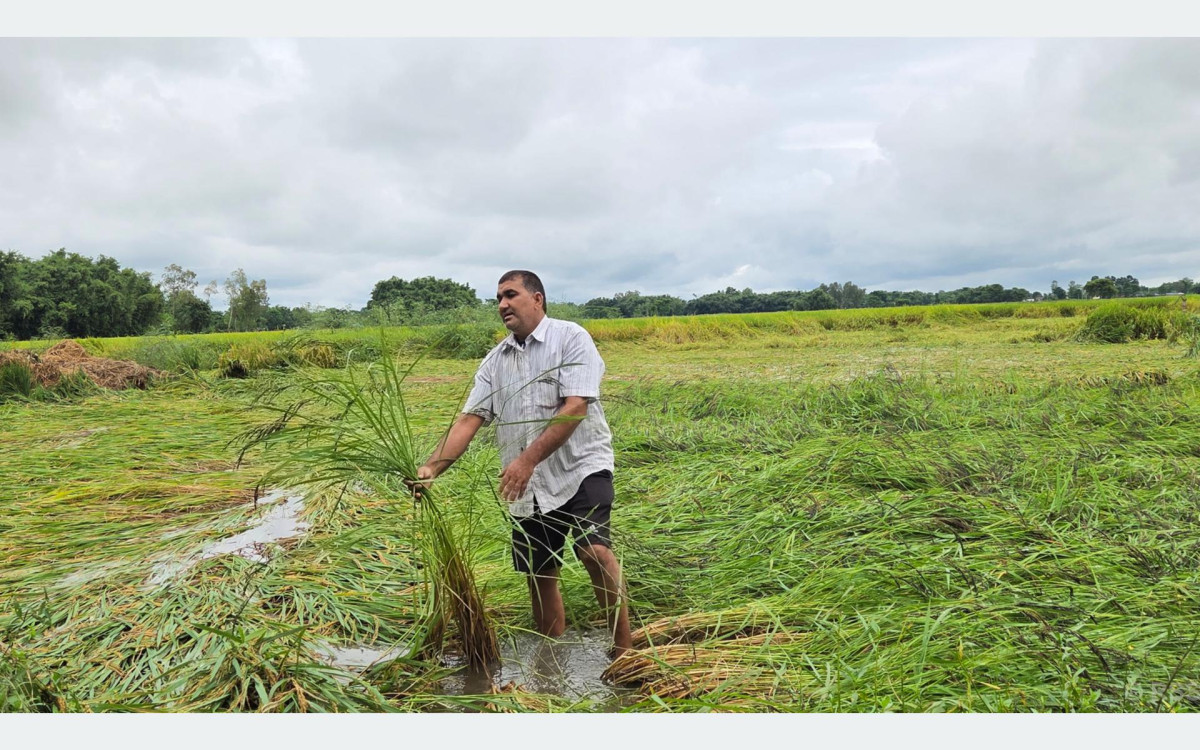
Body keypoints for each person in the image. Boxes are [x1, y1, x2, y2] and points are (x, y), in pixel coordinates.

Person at [410, 270, 633, 658]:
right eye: (498, 298)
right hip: (528, 485)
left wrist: (526, 460)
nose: (502, 305)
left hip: (581, 466)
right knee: (539, 572)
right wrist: (431, 468)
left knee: (594, 552)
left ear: (537, 299)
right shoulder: (495, 362)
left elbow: (575, 408)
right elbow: (469, 420)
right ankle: (551, 663)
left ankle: (625, 652)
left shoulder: (570, 338)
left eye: (510, 295)